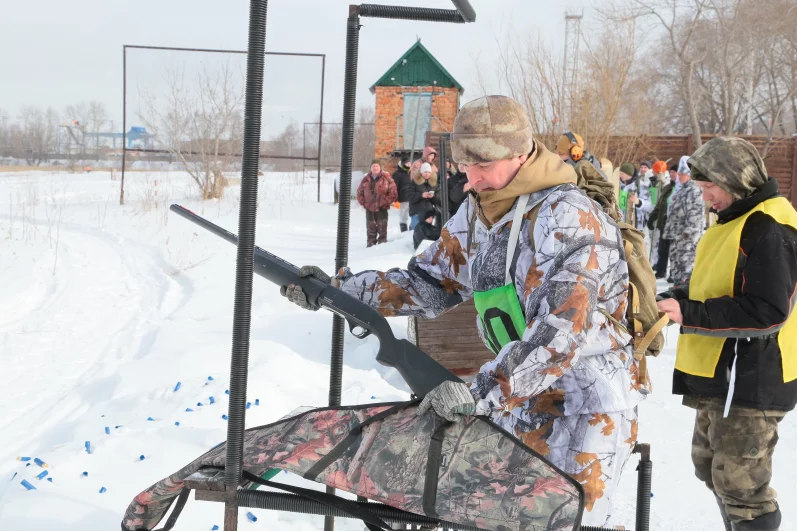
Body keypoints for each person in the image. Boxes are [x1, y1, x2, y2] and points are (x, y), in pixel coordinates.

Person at [282, 95, 647, 527]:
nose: (471, 179)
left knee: (568, 523)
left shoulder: (569, 218)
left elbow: (559, 334)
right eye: (465, 165)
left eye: (483, 166)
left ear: (519, 153)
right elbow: (428, 283)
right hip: (517, 403)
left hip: (585, 406)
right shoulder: (479, 213)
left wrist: (478, 394)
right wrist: (338, 292)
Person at [656, 137, 797, 531]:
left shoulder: (768, 227)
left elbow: (768, 312)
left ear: (734, 179)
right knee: (710, 469)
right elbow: (718, 285)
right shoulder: (736, 220)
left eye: (709, 188)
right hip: (725, 375)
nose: (706, 198)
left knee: (742, 488)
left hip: (753, 381)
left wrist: (690, 313)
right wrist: (677, 298)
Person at [662, 156, 704, 285]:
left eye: (682, 174)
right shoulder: (683, 189)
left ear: (689, 175)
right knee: (675, 264)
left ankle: (684, 290)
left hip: (687, 237)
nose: (679, 176)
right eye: (679, 173)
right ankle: (677, 286)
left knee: (686, 266)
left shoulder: (694, 190)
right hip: (677, 235)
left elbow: (694, 214)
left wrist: (687, 233)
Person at [356, 161, 397, 247]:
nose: (375, 168)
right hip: (369, 207)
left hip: (382, 208)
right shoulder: (365, 179)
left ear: (380, 167)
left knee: (382, 229)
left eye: (377, 166)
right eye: (373, 166)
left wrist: (385, 201)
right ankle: (370, 246)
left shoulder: (387, 178)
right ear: (371, 168)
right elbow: (359, 192)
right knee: (371, 230)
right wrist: (363, 202)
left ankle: (382, 248)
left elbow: (393, 192)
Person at [648, 164, 676, 277]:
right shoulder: (667, 187)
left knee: (674, 250)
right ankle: (661, 270)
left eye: (675, 172)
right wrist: (652, 217)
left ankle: (674, 273)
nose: (673, 174)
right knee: (662, 248)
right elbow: (659, 204)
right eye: (672, 172)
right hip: (664, 222)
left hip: (675, 224)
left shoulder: (680, 188)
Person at [618, 162, 653, 232]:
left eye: (622, 173)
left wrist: (639, 202)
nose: (620, 175)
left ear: (629, 174)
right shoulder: (619, 185)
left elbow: (650, 206)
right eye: (620, 173)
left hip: (635, 226)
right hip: (620, 225)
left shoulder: (641, 186)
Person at [408, 162, 440, 230]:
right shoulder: (414, 182)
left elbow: (440, 197)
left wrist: (433, 196)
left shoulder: (435, 183)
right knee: (417, 232)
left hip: (429, 213)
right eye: (425, 172)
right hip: (416, 211)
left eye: (428, 172)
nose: (427, 174)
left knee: (427, 234)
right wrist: (421, 195)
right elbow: (409, 195)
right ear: (421, 172)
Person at [392, 158, 413, 232]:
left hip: (412, 197)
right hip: (403, 198)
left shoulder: (411, 173)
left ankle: (412, 228)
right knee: (403, 215)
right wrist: (395, 198)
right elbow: (394, 187)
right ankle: (403, 230)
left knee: (413, 214)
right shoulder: (397, 174)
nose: (409, 165)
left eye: (409, 163)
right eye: (407, 163)